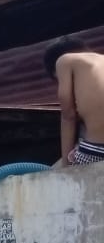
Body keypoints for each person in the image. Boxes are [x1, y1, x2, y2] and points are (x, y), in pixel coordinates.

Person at [44, 36, 104, 165]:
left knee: (63, 164)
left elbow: (68, 116)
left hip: (97, 152)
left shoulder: (65, 60)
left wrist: (66, 166)